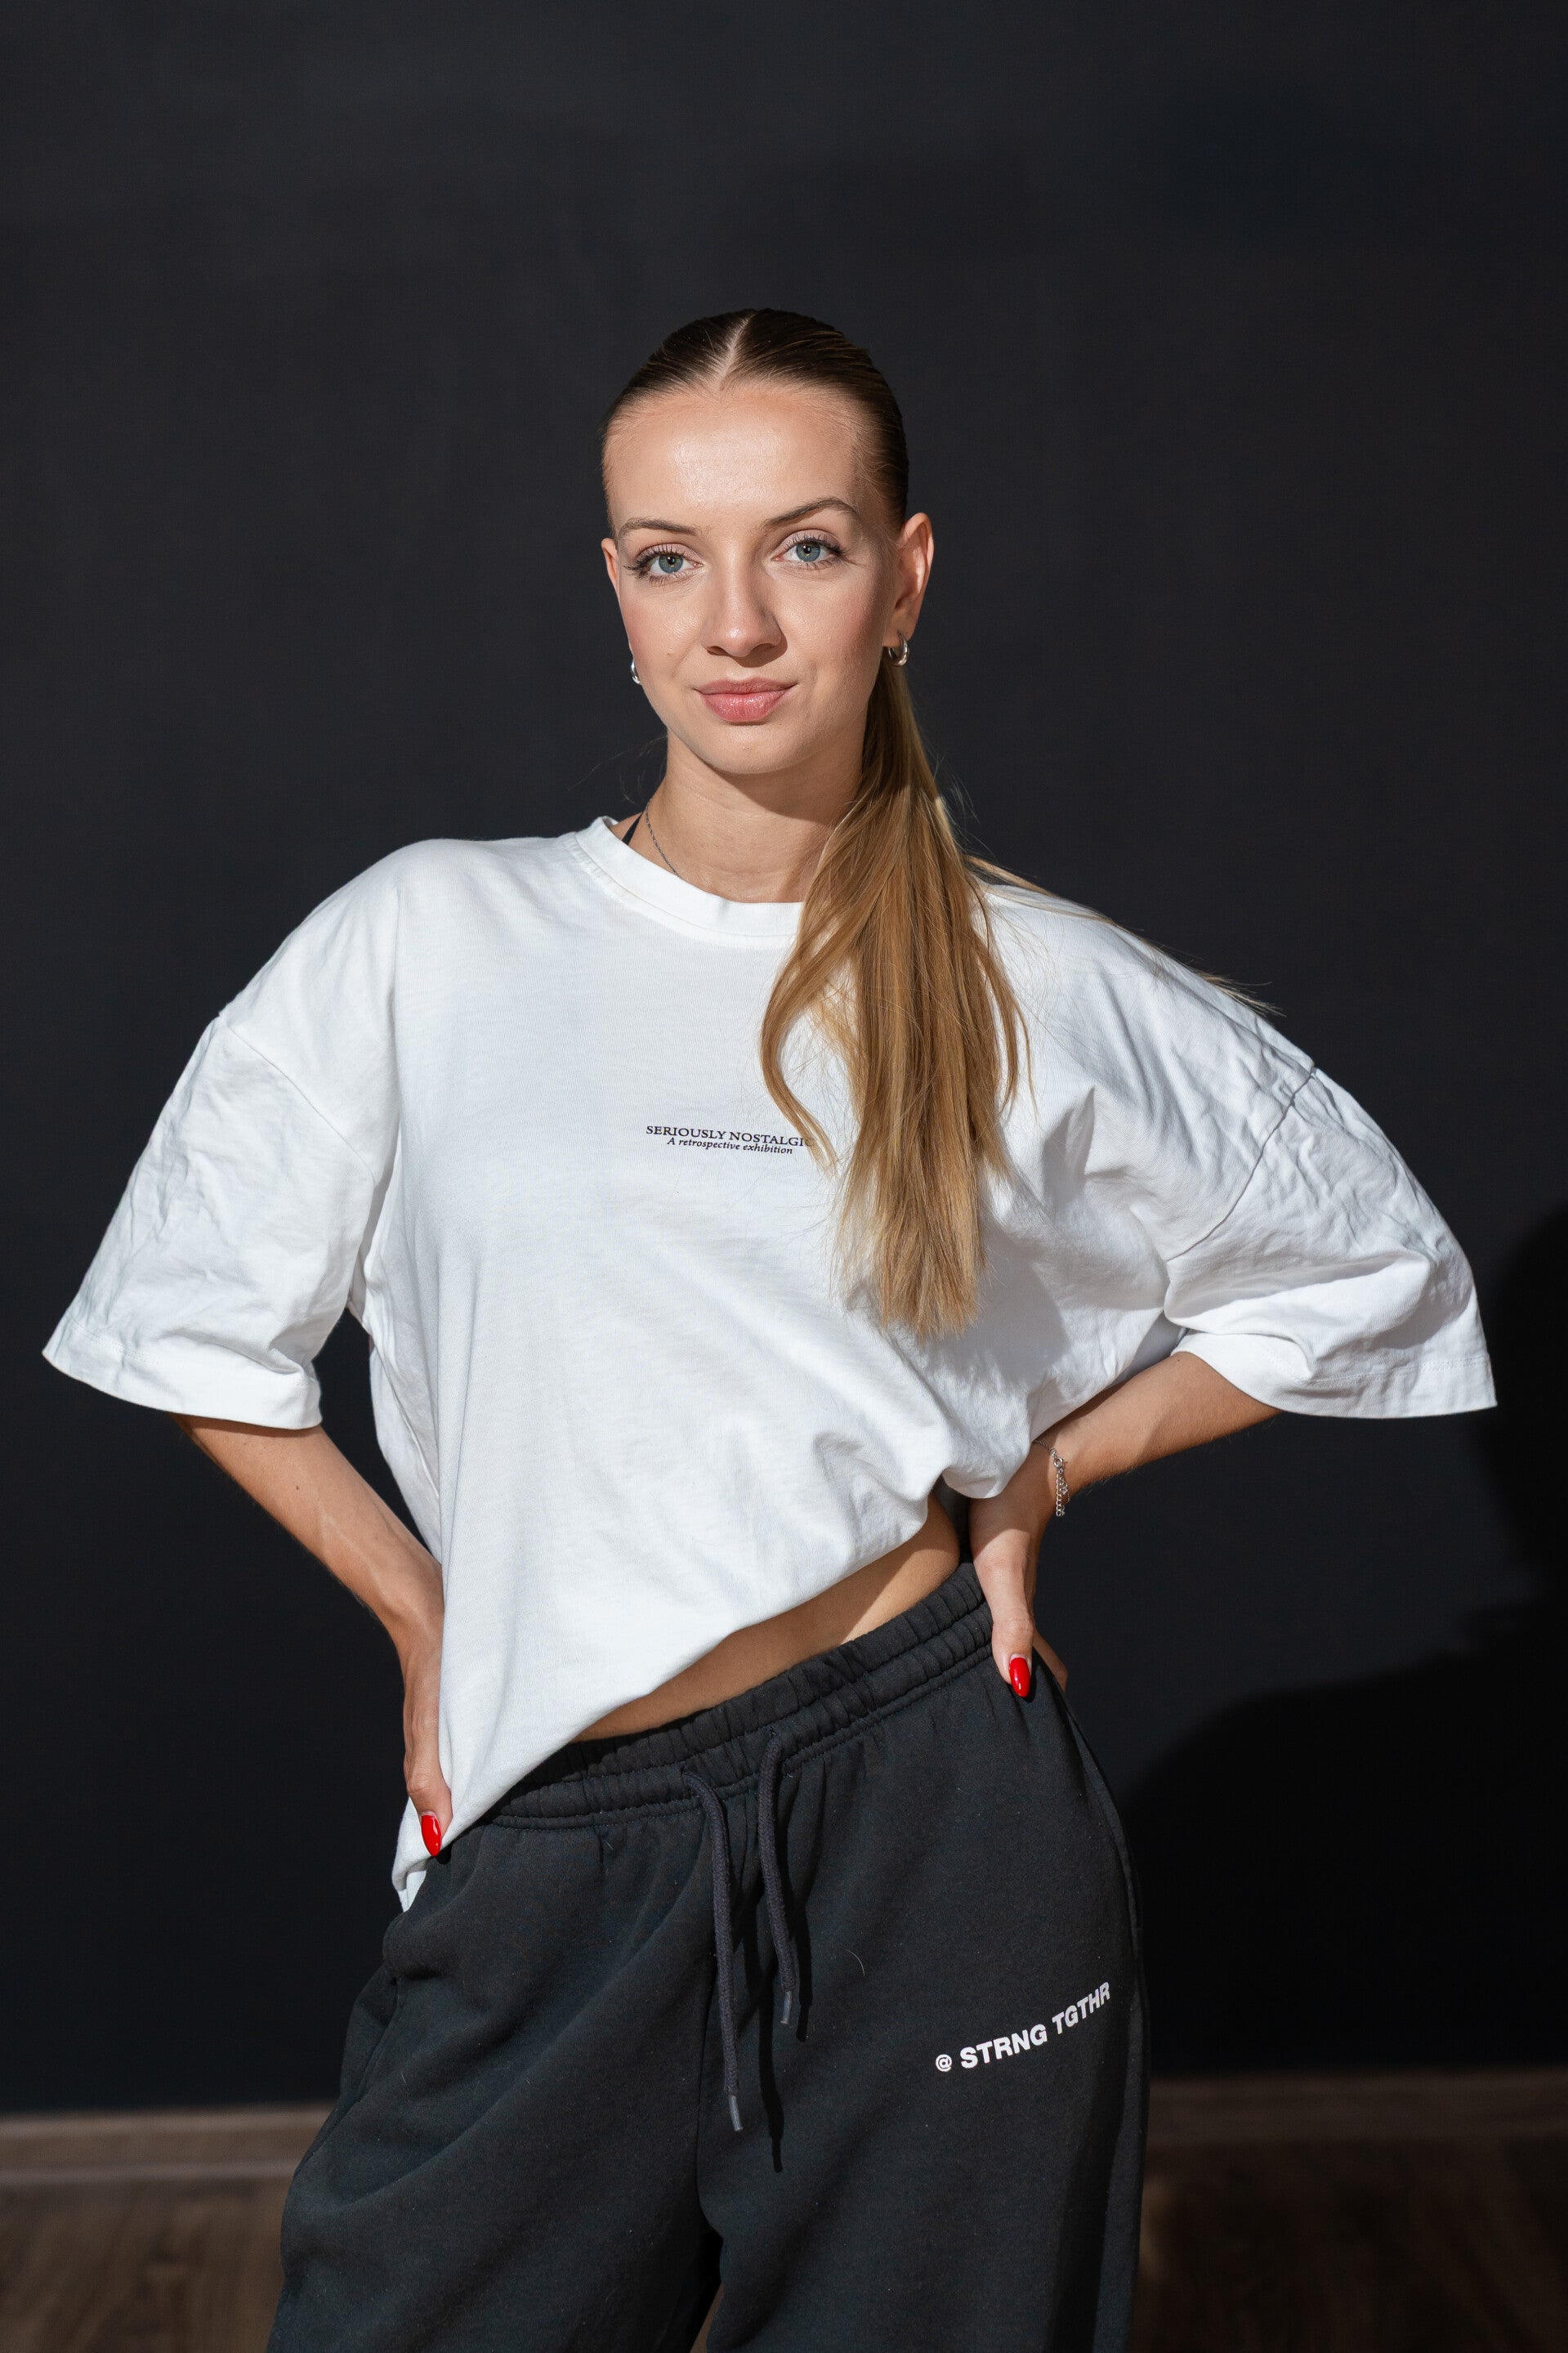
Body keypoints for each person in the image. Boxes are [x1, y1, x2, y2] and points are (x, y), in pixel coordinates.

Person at [45, 310, 1494, 2352]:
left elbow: (1371, 1271)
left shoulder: (1032, 979)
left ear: (906, 577)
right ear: (617, 591)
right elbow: (192, 1326)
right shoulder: (429, 939)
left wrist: (1041, 1475)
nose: (734, 622)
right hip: (560, 1827)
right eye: (670, 557)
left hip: (935, 1819)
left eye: (806, 548)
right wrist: (427, 1616)